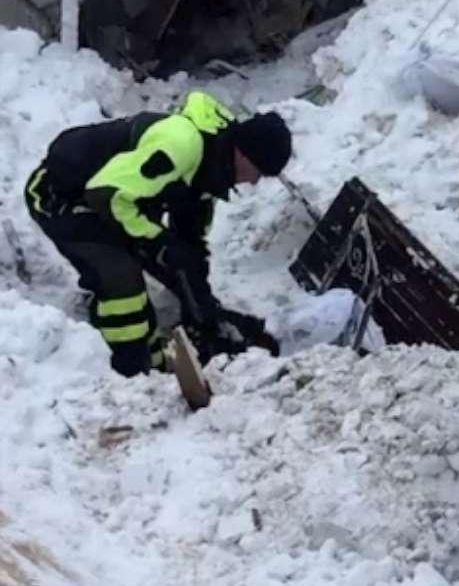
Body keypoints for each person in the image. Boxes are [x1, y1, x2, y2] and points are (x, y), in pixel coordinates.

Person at [22, 91, 290, 375]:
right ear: (244, 154)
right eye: (258, 172)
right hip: (62, 196)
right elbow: (105, 195)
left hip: (122, 200)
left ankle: (176, 345)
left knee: (177, 261)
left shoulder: (212, 167)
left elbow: (189, 245)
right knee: (122, 277)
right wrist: (159, 241)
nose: (254, 182)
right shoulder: (182, 146)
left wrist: (205, 311)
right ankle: (132, 366)